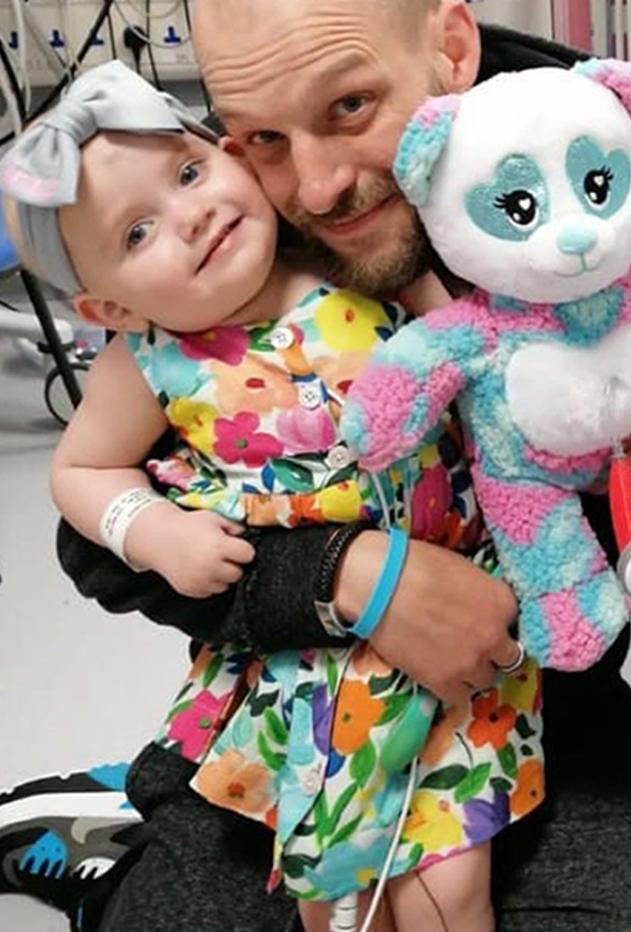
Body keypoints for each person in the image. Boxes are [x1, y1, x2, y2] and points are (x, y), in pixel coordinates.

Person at [53, 1, 631, 929]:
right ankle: (105, 838)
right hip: (294, 693)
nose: (314, 186)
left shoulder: (610, 168)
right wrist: (343, 576)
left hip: (534, 692)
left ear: (453, 47)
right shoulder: (230, 238)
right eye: (259, 136)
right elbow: (94, 534)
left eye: (348, 107)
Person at [3, 60, 561, 930]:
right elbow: (79, 474)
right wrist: (152, 531)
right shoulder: (147, 362)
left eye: (189, 175)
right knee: (331, 890)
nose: (189, 217)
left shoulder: (356, 263)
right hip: (304, 674)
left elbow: (475, 349)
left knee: (449, 885)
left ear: (230, 156)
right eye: (140, 232)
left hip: (461, 633)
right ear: (106, 306)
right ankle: (108, 832)